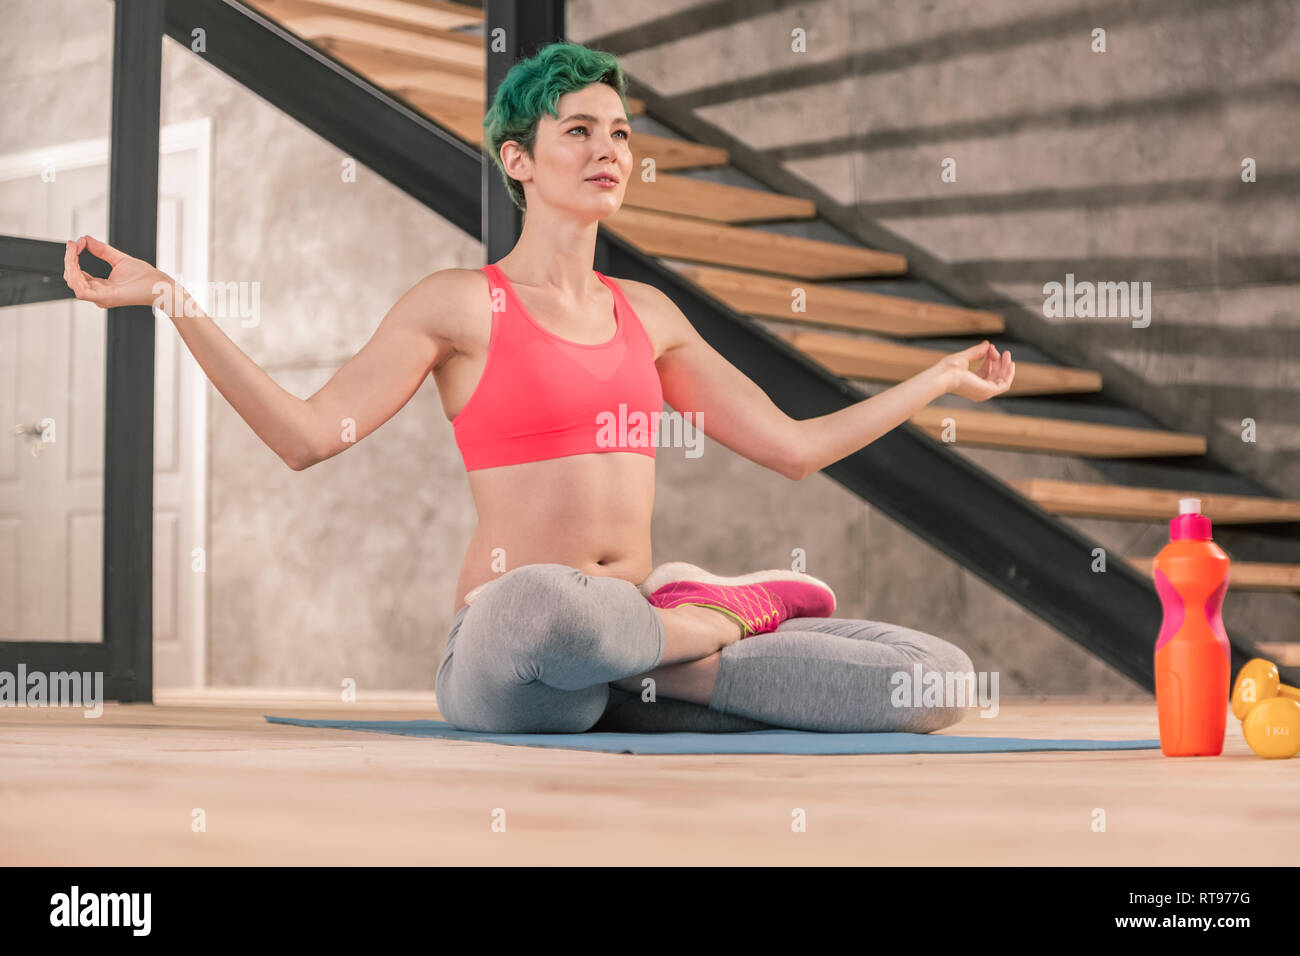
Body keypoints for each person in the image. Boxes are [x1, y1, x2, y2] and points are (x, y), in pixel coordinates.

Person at [63, 41, 1015, 735]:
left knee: (936, 681)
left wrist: (934, 378)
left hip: (623, 652)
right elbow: (307, 436)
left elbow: (796, 450)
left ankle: (659, 645)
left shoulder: (650, 313)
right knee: (542, 613)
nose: (611, 149)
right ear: (518, 159)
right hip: (508, 651)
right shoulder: (459, 306)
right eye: (579, 131)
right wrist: (173, 300)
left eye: (621, 134)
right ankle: (713, 617)